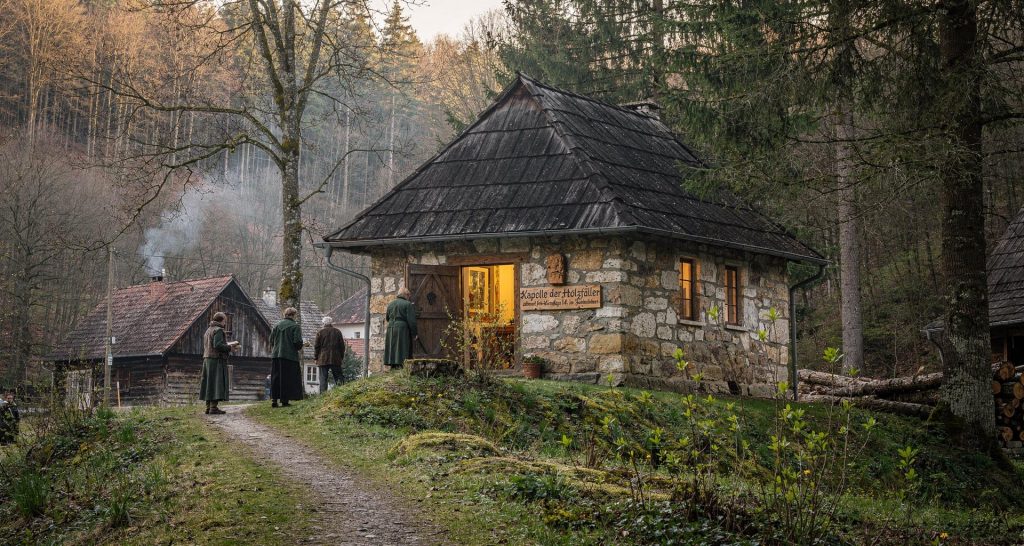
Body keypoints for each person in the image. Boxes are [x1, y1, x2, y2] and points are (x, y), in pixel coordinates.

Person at [200, 312, 235, 415]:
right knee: (216, 383)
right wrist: (229, 348)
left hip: (207, 359)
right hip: (216, 360)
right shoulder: (218, 330)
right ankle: (213, 407)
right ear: (221, 320)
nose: (225, 323)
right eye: (225, 321)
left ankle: (208, 407)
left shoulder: (208, 330)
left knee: (209, 383)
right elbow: (217, 345)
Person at [269, 307, 305, 407]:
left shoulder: (276, 325)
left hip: (276, 355)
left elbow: (271, 340)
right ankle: (285, 401)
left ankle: (274, 400)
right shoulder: (295, 326)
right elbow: (297, 342)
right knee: (287, 379)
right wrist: (302, 345)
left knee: (276, 378)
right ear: (293, 315)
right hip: (289, 356)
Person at [384, 287, 418, 369]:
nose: (409, 297)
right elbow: (412, 321)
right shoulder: (407, 304)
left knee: (393, 346)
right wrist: (415, 333)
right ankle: (401, 366)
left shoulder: (391, 304)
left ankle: (393, 365)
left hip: (391, 327)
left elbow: (387, 318)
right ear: (406, 295)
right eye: (409, 295)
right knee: (402, 346)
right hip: (402, 328)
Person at [314, 316, 347, 394]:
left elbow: (316, 347)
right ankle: (341, 393)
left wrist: (316, 358)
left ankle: (322, 395)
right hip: (335, 358)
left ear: (323, 323)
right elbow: (342, 346)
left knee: (323, 378)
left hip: (322, 358)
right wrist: (341, 357)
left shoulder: (320, 332)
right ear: (331, 323)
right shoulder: (337, 332)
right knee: (338, 377)